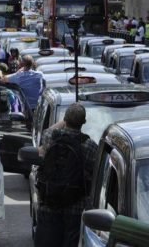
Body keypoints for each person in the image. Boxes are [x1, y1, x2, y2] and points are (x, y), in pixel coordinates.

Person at [34, 104, 98, 247]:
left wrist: (65, 121)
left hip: (49, 202)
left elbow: (48, 130)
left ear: (65, 119)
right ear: (84, 122)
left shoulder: (50, 137)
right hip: (75, 205)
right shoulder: (89, 146)